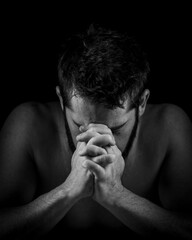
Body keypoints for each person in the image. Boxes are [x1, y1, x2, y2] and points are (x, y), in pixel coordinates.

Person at [0, 24, 192, 240]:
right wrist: (67, 192)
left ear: (142, 103)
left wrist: (116, 195)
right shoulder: (28, 124)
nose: (97, 141)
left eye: (116, 128)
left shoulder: (170, 126)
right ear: (62, 100)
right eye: (80, 126)